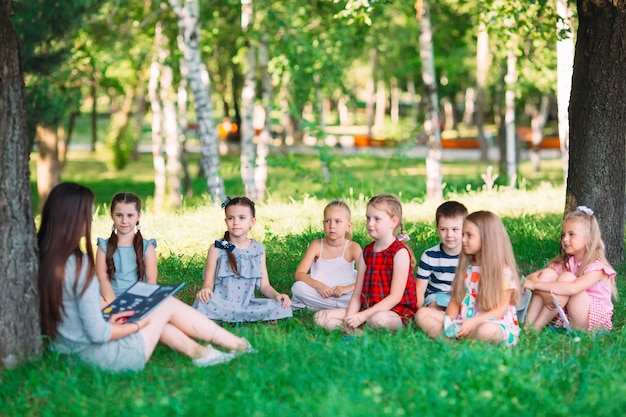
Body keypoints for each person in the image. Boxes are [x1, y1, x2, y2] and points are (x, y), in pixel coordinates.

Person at [38, 183, 252, 372]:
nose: (89, 222)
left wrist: (107, 315)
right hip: (103, 356)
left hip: (69, 351)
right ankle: (240, 346)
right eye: (88, 216)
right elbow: (98, 334)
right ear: (74, 219)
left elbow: (79, 313)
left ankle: (202, 353)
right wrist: (137, 326)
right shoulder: (77, 264)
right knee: (164, 305)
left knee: (160, 311)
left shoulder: (42, 256)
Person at [415, 211, 522, 346]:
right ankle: (457, 341)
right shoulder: (466, 267)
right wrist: (449, 323)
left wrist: (473, 322)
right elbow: (455, 300)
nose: (463, 239)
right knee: (423, 315)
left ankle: (461, 341)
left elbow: (501, 309)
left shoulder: (503, 272)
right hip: (463, 321)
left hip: (490, 323)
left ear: (486, 238)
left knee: (487, 331)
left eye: (469, 235)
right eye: (463, 234)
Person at [314, 194, 417, 331]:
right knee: (320, 317)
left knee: (377, 319)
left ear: (393, 222)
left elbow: (395, 297)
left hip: (395, 313)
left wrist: (362, 316)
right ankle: (355, 332)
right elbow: (357, 294)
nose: (370, 223)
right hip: (366, 309)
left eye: (376, 219)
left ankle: (362, 328)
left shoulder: (400, 253)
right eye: (368, 218)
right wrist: (349, 319)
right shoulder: (366, 252)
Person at [194, 196, 293, 322]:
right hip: (220, 304)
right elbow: (208, 283)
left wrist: (277, 295)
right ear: (226, 221)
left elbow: (264, 285)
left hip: (247, 304)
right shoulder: (217, 248)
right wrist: (206, 290)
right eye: (231, 218)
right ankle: (241, 316)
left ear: (252, 221)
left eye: (242, 218)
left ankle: (240, 315)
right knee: (202, 303)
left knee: (282, 306)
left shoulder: (258, 249)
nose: (236, 222)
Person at [522, 206, 617, 332]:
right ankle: (527, 327)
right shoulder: (566, 262)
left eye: (571, 234)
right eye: (563, 235)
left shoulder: (597, 267)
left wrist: (536, 286)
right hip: (570, 315)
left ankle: (536, 328)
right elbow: (532, 278)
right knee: (548, 274)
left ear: (588, 238)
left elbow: (572, 288)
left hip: (593, 323)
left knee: (567, 278)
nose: (565, 239)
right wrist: (544, 293)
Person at [291, 199, 362, 310]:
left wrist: (346, 289)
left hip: (345, 293)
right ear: (323, 224)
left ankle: (317, 306)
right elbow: (299, 274)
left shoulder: (353, 247)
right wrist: (318, 286)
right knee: (297, 288)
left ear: (348, 226)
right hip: (320, 291)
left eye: (337, 221)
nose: (332, 226)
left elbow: (367, 276)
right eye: (327, 221)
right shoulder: (316, 245)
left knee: (364, 293)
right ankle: (340, 307)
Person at [96, 192, 157, 303]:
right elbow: (102, 278)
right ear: (111, 215)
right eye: (119, 215)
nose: (124, 221)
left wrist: (143, 302)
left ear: (138, 215)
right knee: (94, 301)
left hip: (139, 299)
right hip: (109, 300)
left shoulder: (147, 247)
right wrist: (114, 305)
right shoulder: (103, 246)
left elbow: (151, 279)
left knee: (165, 303)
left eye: (130, 215)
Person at [415, 201, 468, 309]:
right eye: (443, 229)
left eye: (455, 229)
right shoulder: (429, 256)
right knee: (432, 309)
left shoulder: (471, 255)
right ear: (437, 229)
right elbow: (419, 290)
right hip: (436, 298)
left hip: (463, 297)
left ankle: (452, 322)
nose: (449, 235)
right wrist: (418, 311)